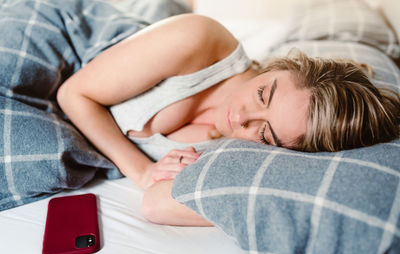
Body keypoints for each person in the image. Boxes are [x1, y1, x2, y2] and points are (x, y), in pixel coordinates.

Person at [57, 14, 400, 226]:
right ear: (280, 66)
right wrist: (143, 170)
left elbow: (157, 205)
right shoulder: (198, 38)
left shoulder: (248, 153)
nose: (241, 119)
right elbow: (73, 95)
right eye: (263, 94)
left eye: (265, 132)